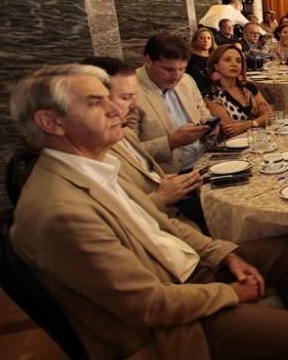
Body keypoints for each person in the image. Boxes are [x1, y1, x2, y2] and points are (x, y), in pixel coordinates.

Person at [9, 64, 288, 360]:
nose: (118, 109)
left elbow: (166, 224)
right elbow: (149, 306)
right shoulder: (59, 212)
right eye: (97, 102)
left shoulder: (95, 165)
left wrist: (225, 254)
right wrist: (229, 294)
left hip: (187, 270)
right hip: (172, 324)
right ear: (52, 122)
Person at [81, 56, 207, 232]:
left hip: (175, 204)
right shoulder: (91, 155)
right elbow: (122, 222)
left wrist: (163, 181)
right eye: (125, 97)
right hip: (162, 223)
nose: (134, 105)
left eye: (182, 69)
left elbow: (145, 172)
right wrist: (161, 197)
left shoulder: (123, 133)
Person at [134, 33, 217, 174]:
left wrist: (210, 125)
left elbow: (202, 110)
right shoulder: (129, 93)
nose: (176, 76)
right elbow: (128, 153)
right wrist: (171, 142)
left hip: (206, 161)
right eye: (168, 70)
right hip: (170, 176)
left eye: (182, 69)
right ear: (148, 61)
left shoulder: (186, 80)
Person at [203, 45, 272, 139]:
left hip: (259, 139)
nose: (234, 64)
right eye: (227, 60)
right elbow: (230, 130)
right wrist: (259, 122)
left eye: (238, 61)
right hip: (230, 147)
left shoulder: (249, 87)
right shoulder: (212, 94)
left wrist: (249, 124)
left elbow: (269, 115)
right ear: (216, 66)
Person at [187, 28, 215, 95]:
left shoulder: (216, 56)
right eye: (201, 38)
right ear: (195, 41)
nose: (205, 40)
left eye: (208, 38)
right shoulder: (190, 58)